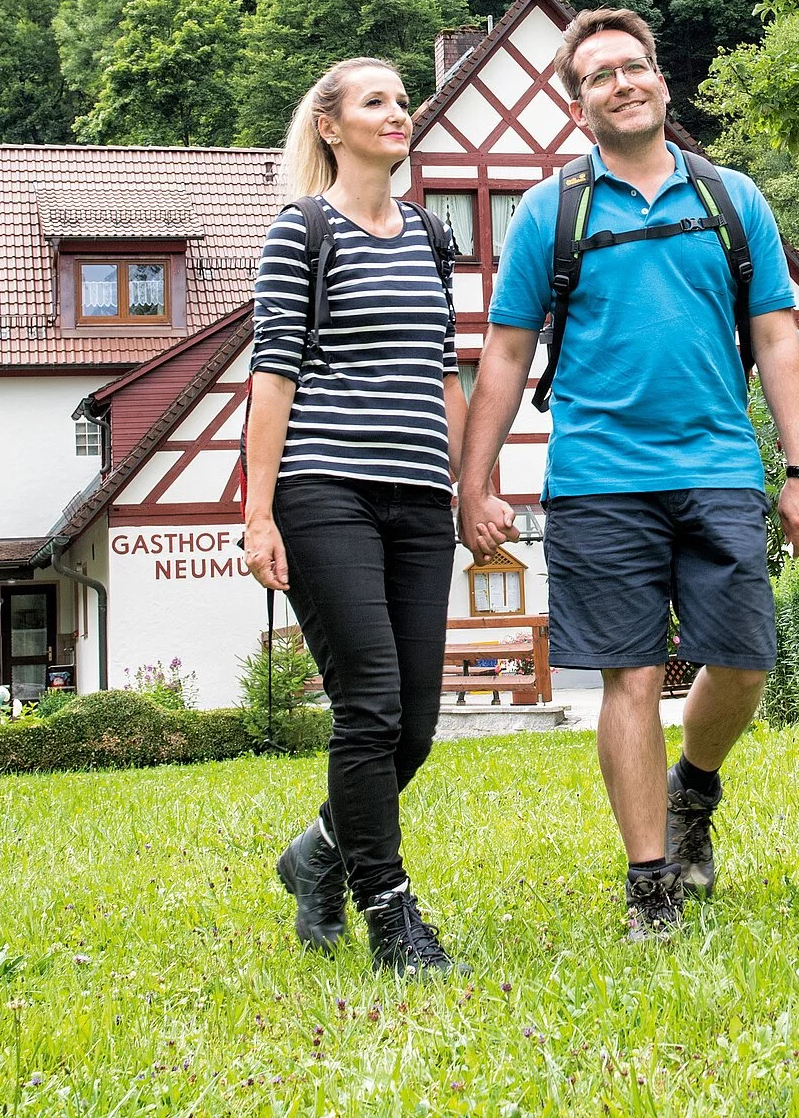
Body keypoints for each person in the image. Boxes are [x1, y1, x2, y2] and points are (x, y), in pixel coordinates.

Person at [459, 7, 799, 939]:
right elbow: (503, 356)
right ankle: (650, 883)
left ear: (663, 82)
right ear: (576, 103)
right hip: (597, 478)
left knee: (743, 660)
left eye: (634, 68)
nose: (621, 84)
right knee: (627, 677)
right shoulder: (551, 211)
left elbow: (777, 336)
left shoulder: (733, 199)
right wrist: (478, 478)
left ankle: (692, 791)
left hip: (715, 464)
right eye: (598, 76)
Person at [244, 57, 464, 976]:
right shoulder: (299, 232)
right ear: (330, 126)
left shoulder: (427, 235)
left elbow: (445, 374)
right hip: (325, 492)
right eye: (377, 101)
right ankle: (389, 912)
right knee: (367, 706)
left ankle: (314, 855)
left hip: (420, 498)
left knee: (412, 725)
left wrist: (470, 483)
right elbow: (273, 377)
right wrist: (259, 514)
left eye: (404, 100)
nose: (398, 112)